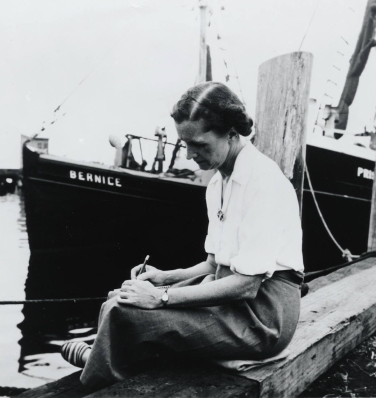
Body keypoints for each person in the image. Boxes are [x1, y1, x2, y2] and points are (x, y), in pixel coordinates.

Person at [61, 81, 305, 394]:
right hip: (234, 298)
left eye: (199, 145)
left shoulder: (263, 181)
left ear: (232, 133)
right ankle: (106, 360)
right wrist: (162, 278)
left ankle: (101, 376)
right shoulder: (218, 184)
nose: (190, 154)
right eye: (185, 143)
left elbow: (246, 285)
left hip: (264, 317)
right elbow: (211, 266)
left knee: (126, 315)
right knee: (120, 298)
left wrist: (161, 297)